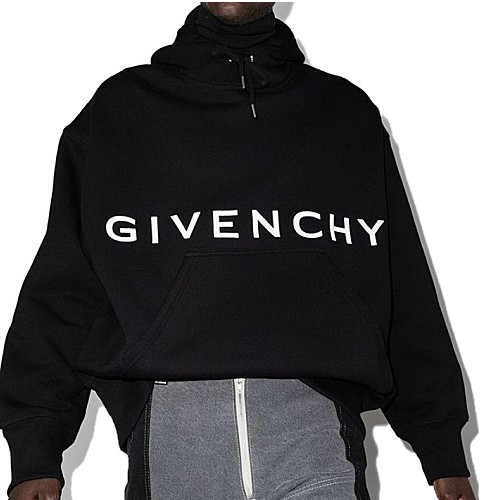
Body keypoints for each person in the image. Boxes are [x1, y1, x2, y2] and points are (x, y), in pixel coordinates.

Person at [0, 2, 476, 499]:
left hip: (317, 437)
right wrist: (35, 447)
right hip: (173, 438)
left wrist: (439, 444)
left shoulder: (344, 114)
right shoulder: (121, 111)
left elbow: (403, 283)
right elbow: (66, 284)